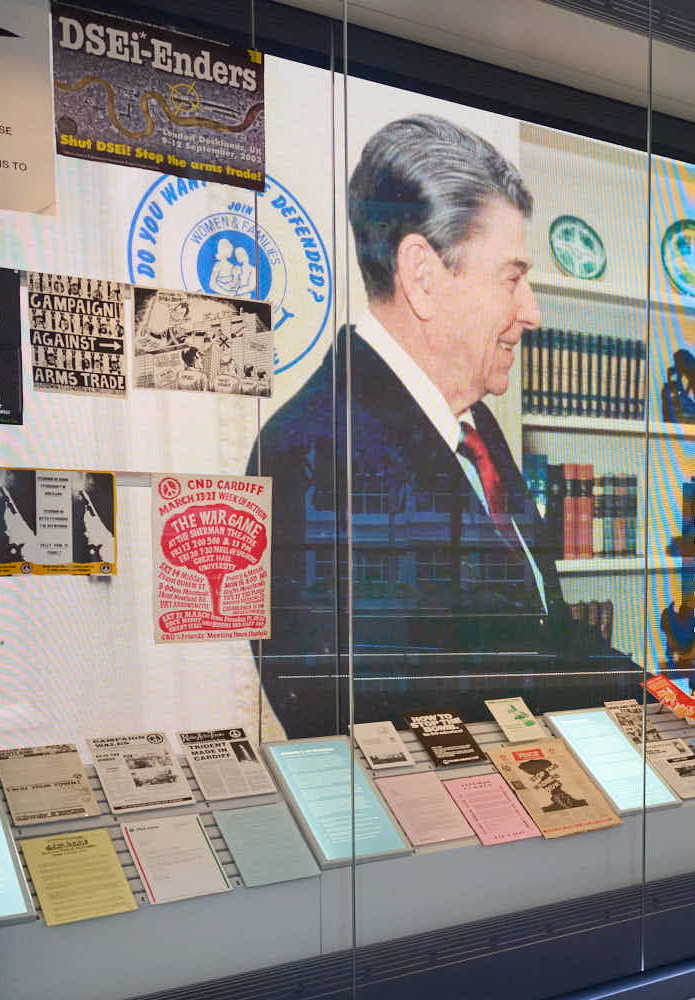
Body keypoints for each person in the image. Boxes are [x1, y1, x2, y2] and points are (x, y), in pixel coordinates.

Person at [250, 114, 634, 737]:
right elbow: (363, 726)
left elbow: (549, 635)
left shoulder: (475, 430)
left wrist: (673, 700)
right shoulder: (307, 455)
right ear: (422, 276)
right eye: (513, 279)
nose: (532, 312)